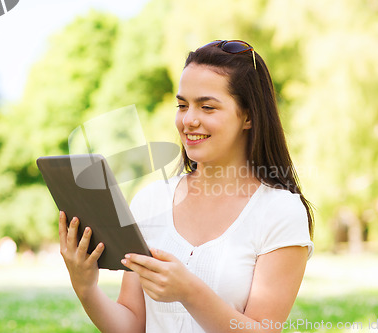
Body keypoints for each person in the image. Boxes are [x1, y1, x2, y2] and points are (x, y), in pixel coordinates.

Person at [59, 39, 314, 333]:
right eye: (182, 105)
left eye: (207, 107)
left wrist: (189, 291)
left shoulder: (279, 211)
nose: (189, 120)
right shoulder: (150, 201)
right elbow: (131, 324)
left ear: (248, 116)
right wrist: (86, 287)